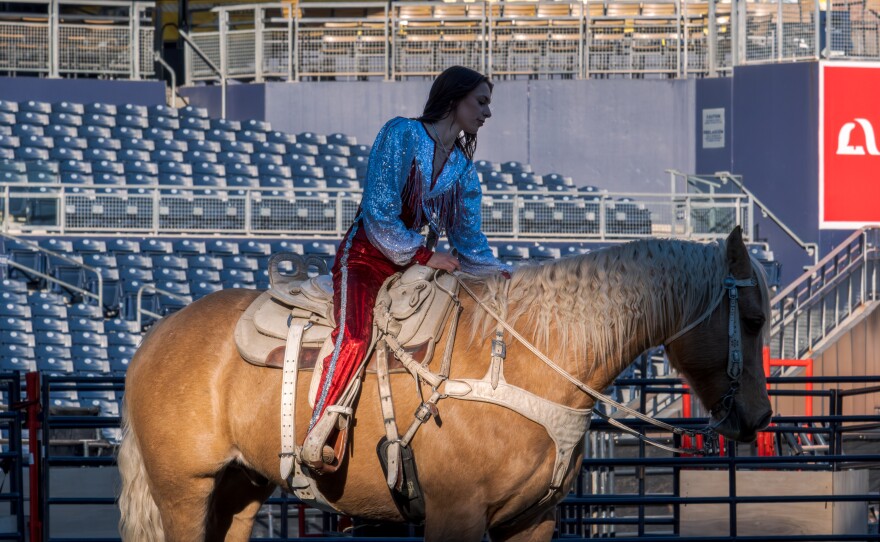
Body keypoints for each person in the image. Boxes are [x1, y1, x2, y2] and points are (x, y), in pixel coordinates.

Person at [306, 66, 512, 466]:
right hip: (365, 258)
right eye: (481, 102)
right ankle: (319, 433)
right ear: (454, 100)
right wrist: (424, 255)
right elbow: (378, 212)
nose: (487, 113)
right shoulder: (401, 133)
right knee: (355, 336)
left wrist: (503, 275)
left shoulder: (463, 171)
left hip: (414, 269)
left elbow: (470, 244)